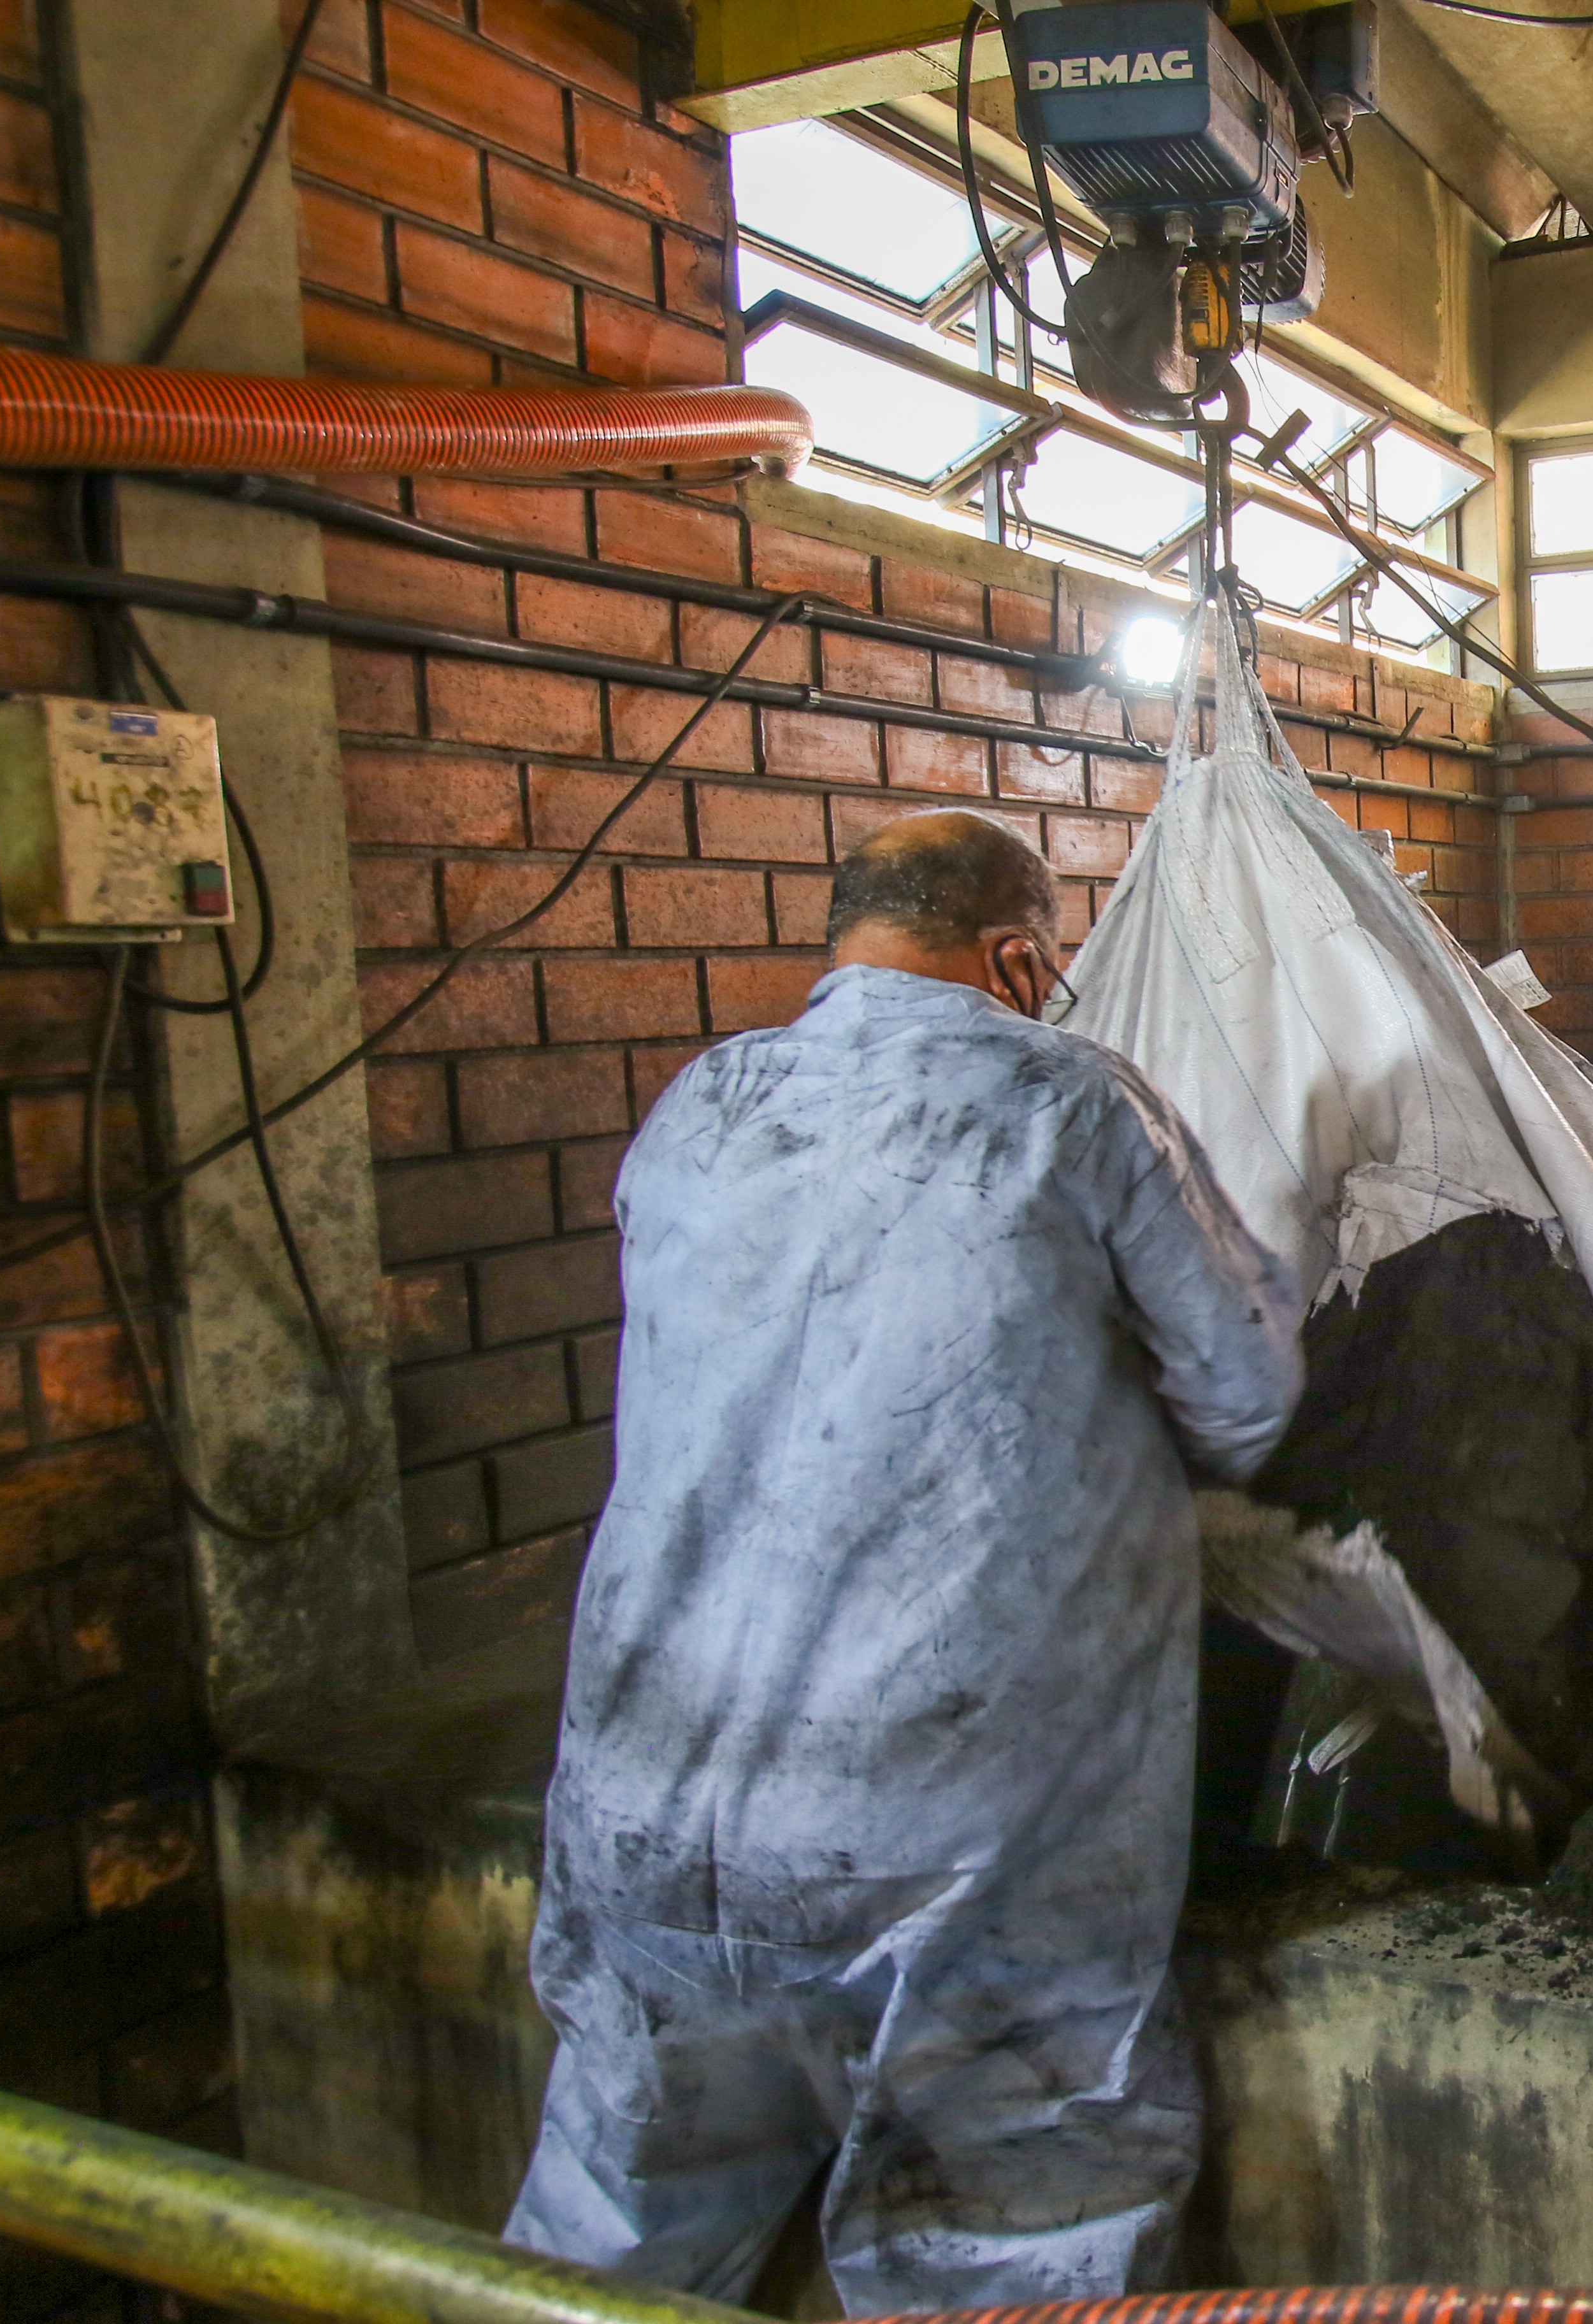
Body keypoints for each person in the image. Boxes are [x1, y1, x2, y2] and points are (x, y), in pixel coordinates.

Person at [503, 808, 1304, 2304]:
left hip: (646, 1792)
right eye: (1048, 958)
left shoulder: (704, 1103)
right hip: (945, 1825)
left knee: (617, 2217)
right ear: (1016, 955)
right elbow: (1246, 1392)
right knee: (1005, 2220)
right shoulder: (1071, 1102)